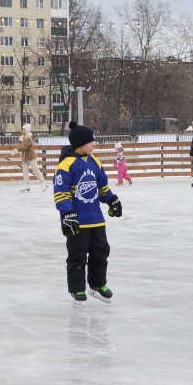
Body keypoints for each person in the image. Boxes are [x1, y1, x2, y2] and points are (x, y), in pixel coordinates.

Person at [52, 124, 122, 303]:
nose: (93, 145)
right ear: (80, 143)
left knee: (101, 253)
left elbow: (102, 188)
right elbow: (61, 193)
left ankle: (97, 285)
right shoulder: (66, 165)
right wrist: (67, 214)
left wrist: (112, 200)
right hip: (76, 222)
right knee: (77, 256)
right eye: (90, 141)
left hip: (96, 220)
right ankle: (77, 289)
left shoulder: (95, 162)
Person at [19, 124, 45, 192]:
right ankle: (26, 185)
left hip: (31, 157)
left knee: (36, 170)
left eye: (24, 129)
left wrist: (16, 151)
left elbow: (24, 147)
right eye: (22, 129)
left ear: (27, 130)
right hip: (25, 158)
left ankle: (43, 184)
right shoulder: (22, 137)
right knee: (24, 171)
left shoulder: (29, 138)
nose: (22, 130)